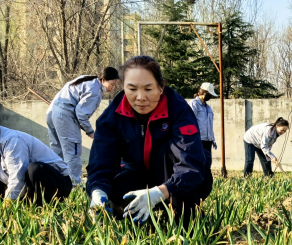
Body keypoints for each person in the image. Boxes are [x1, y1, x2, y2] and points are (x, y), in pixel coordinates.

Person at [86, 55, 210, 223]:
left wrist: (159, 192)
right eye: (132, 89)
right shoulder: (112, 117)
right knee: (117, 192)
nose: (140, 97)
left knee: (167, 152)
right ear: (123, 86)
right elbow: (101, 161)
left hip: (179, 181)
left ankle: (184, 217)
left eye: (148, 89)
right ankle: (144, 220)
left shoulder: (179, 111)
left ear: (161, 86)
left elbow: (192, 164)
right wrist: (98, 191)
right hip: (139, 175)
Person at [0, 105, 72, 205]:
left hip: (56, 183)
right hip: (26, 186)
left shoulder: (12, 141)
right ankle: (16, 208)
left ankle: (43, 206)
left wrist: (8, 204)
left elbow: (17, 176)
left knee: (35, 169)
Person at [46, 67, 120, 185]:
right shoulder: (95, 92)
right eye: (112, 84)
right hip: (65, 115)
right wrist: (90, 131)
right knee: (73, 152)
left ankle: (55, 183)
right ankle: (74, 186)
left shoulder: (86, 79)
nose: (113, 87)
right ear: (103, 80)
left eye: (115, 85)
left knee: (57, 151)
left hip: (52, 112)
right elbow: (81, 113)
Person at [188, 82, 218, 195]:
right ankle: (196, 184)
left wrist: (213, 139)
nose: (210, 97)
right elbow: (189, 121)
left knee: (207, 164)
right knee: (199, 164)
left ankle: (204, 185)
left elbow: (209, 124)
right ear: (204, 92)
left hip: (207, 140)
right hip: (198, 140)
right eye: (209, 94)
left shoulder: (208, 107)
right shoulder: (193, 104)